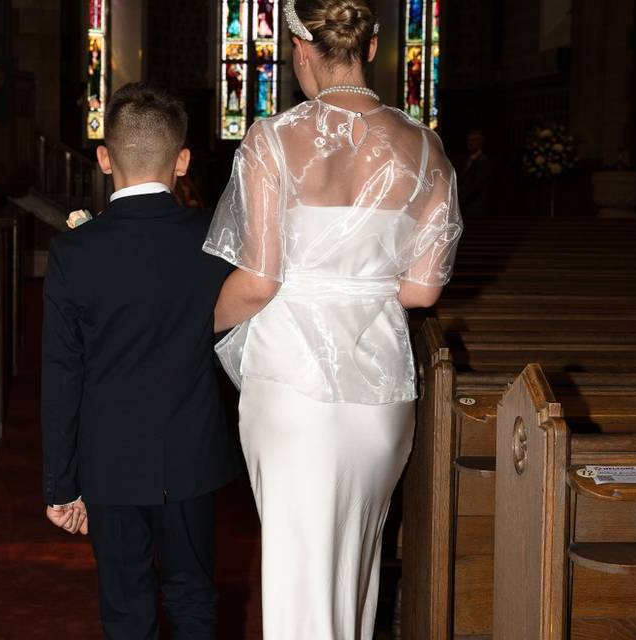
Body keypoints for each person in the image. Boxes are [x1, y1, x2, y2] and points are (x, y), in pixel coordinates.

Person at [203, 0, 463, 637]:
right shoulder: (426, 148)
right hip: (379, 389)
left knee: (298, 567)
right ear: (371, 48)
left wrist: (198, 321)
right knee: (354, 562)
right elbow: (422, 293)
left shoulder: (271, 139)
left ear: (299, 50)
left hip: (293, 383)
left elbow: (259, 280)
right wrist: (358, 284)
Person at [40, 83, 240, 640]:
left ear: (104, 159)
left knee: (126, 607)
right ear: (182, 161)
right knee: (195, 596)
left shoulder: (74, 251)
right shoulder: (213, 241)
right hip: (192, 451)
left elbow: (61, 374)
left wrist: (60, 484)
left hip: (109, 460)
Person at [459, 129, 492, 216]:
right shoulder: (467, 159)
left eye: (473, 141)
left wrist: (461, 200)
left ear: (480, 143)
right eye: (469, 140)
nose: (470, 143)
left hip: (475, 205)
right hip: (466, 205)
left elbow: (477, 185)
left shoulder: (483, 161)